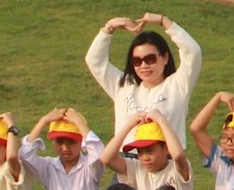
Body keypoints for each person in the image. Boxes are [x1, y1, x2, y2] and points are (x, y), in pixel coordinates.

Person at [85, 12, 203, 147]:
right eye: (137, 61)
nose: (143, 66)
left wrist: (164, 21)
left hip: (167, 158)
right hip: (126, 158)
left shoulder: (178, 85)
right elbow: (94, 61)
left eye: (150, 59)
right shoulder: (123, 86)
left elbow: (193, 52)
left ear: (165, 58)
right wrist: (109, 28)